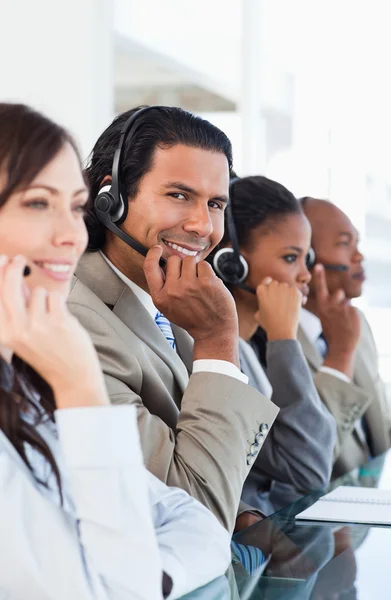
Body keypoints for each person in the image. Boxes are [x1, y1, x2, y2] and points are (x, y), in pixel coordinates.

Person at [0, 103, 231, 600]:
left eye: (73, 204)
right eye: (39, 203)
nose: (70, 234)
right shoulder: (68, 343)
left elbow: (200, 525)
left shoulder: (19, 386)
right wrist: (81, 389)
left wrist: (146, 576)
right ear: (113, 199)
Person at [69, 106, 279, 533]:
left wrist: (241, 512)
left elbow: (226, 468)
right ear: (111, 196)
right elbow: (196, 512)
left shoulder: (178, 299)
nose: (203, 226)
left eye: (215, 203)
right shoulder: (75, 321)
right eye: (179, 195)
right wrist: (219, 342)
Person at [210, 175, 336, 513]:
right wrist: (284, 337)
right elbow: (308, 469)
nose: (306, 274)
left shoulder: (249, 348)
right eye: (290, 258)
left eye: (306, 259)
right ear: (232, 264)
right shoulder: (217, 356)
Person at [299, 197, 391, 477]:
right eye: (345, 244)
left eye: (357, 243)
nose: (359, 257)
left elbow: (383, 424)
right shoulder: (278, 339)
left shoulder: (357, 322)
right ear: (304, 256)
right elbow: (309, 450)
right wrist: (341, 351)